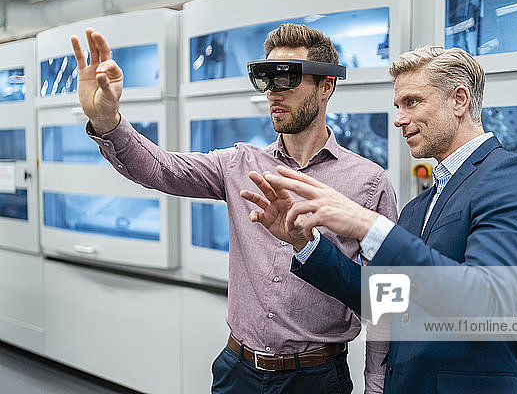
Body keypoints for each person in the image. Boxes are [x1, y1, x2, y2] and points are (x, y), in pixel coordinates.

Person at [70, 23, 397, 394]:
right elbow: (160, 169)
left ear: (326, 86)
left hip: (315, 378)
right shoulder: (240, 163)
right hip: (237, 370)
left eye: (287, 78)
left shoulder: (369, 184)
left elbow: (385, 301)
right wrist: (107, 121)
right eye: (266, 78)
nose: (274, 91)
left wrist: (377, 387)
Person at [243, 46, 517, 393]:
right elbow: (383, 300)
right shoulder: (418, 208)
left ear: (458, 100)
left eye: (411, 102)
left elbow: (490, 303)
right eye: (398, 106)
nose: (398, 119)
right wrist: (305, 244)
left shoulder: (516, 177)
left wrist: (367, 225)